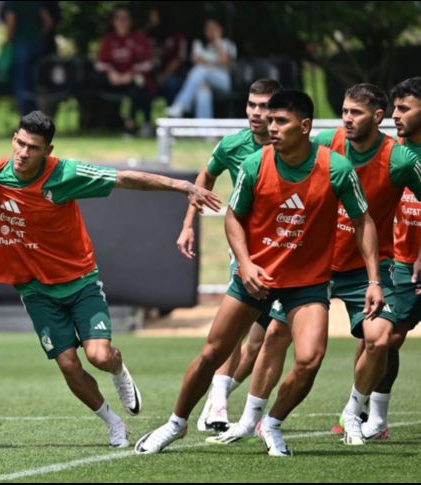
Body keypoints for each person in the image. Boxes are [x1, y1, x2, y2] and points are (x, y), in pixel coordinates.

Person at [0, 110, 222, 448]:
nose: (23, 153)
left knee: (99, 357)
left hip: (79, 281)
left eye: (33, 148)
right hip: (35, 289)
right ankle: (113, 423)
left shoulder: (66, 173)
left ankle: (118, 369)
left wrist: (181, 186)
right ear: (13, 140)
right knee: (68, 364)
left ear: (47, 151)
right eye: (20, 143)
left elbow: (125, 178)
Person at [135, 90, 382, 457]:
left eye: (281, 120)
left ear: (305, 126)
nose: (272, 126)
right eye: (270, 120)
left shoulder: (336, 168)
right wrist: (246, 264)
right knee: (212, 353)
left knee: (310, 359)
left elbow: (363, 221)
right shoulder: (254, 164)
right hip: (256, 278)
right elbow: (233, 218)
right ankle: (175, 424)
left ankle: (273, 423)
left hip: (307, 283)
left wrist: (374, 280)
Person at [212, 84, 421, 447]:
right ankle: (248, 420)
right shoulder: (326, 142)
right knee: (275, 336)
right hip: (314, 265)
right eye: (344, 111)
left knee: (381, 339)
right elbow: (279, 160)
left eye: (356, 113)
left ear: (377, 117)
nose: (347, 119)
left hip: (365, 269)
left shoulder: (399, 160)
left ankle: (353, 412)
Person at [176, 78, 283, 432]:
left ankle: (217, 398)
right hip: (247, 250)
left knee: (263, 340)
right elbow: (205, 176)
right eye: (251, 104)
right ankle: (220, 406)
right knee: (236, 330)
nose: (256, 112)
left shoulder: (296, 148)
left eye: (264, 106)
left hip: (286, 253)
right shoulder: (233, 145)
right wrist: (188, 223)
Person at [360, 77, 421, 439]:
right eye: (394, 108)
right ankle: (374, 417)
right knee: (386, 336)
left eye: (404, 108)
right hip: (400, 263)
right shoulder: (393, 152)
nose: (395, 115)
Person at [95, 7, 155, 137]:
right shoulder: (108, 40)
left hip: (133, 79)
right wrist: (112, 73)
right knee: (94, 80)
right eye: (119, 18)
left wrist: (131, 73)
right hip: (114, 79)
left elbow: (148, 63)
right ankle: (96, 122)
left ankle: (133, 125)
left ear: (130, 21)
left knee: (141, 85)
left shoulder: (139, 38)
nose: (122, 22)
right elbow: (100, 63)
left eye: (125, 18)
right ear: (113, 21)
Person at [167, 18, 236, 119]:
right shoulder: (198, 44)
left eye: (213, 28)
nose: (211, 31)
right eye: (208, 28)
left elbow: (225, 62)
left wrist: (217, 42)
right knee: (202, 90)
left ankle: (180, 105)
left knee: (201, 69)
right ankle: (204, 127)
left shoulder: (228, 44)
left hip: (223, 83)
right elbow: (197, 60)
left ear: (220, 29)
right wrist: (216, 62)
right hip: (203, 82)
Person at [2, 1, 53, 115]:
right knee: (36, 79)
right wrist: (39, 35)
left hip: (20, 44)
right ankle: (38, 112)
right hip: (37, 45)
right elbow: (48, 21)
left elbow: (11, 24)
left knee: (21, 81)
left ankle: (26, 114)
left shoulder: (13, 3)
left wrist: (8, 41)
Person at [145, 6, 187, 107]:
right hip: (150, 74)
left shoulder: (177, 36)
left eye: (154, 16)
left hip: (171, 75)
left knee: (171, 83)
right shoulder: (148, 33)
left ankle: (173, 112)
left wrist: (163, 76)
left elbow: (178, 60)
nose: (151, 18)